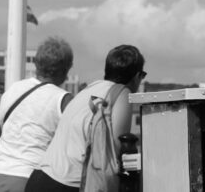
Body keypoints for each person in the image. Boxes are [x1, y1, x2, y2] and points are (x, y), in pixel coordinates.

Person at [25, 44, 146, 192]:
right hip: (71, 183)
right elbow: (118, 147)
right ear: (137, 76)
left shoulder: (87, 90)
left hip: (41, 177)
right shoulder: (122, 93)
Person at [0, 37, 74, 192]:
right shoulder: (64, 100)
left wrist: (14, 148)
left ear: (36, 63)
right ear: (66, 68)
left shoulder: (14, 89)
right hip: (32, 179)